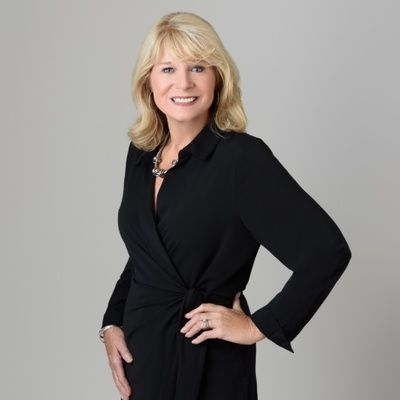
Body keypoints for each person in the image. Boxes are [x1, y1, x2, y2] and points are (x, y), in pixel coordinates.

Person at [98, 11, 352, 400]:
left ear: (218, 78)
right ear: (148, 80)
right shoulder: (141, 154)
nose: (183, 82)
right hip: (144, 358)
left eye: (198, 67)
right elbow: (147, 254)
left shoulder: (241, 159)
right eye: (168, 68)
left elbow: (326, 252)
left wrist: (258, 326)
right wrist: (112, 322)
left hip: (208, 361)